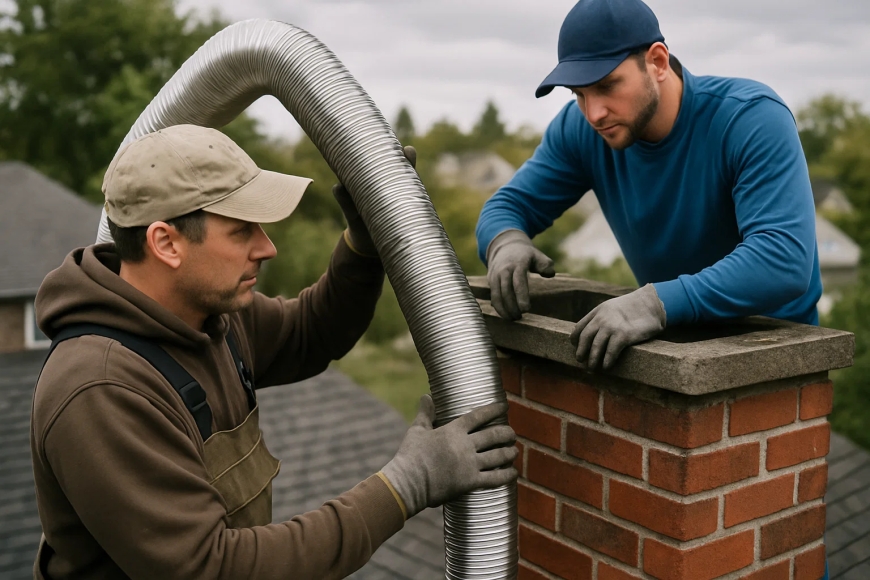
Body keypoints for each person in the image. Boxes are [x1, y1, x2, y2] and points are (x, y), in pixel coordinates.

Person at [31, 124, 518, 579]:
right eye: (242, 230)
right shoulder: (101, 388)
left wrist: (363, 244)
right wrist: (405, 485)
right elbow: (212, 568)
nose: (267, 248)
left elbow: (312, 332)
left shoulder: (210, 319)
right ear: (166, 243)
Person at [476, 0, 821, 373]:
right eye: (579, 94)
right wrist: (504, 243)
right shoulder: (581, 130)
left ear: (657, 62)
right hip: (667, 353)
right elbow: (507, 206)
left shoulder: (750, 118)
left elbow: (782, 259)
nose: (594, 113)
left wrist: (655, 303)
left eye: (607, 85)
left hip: (775, 364)